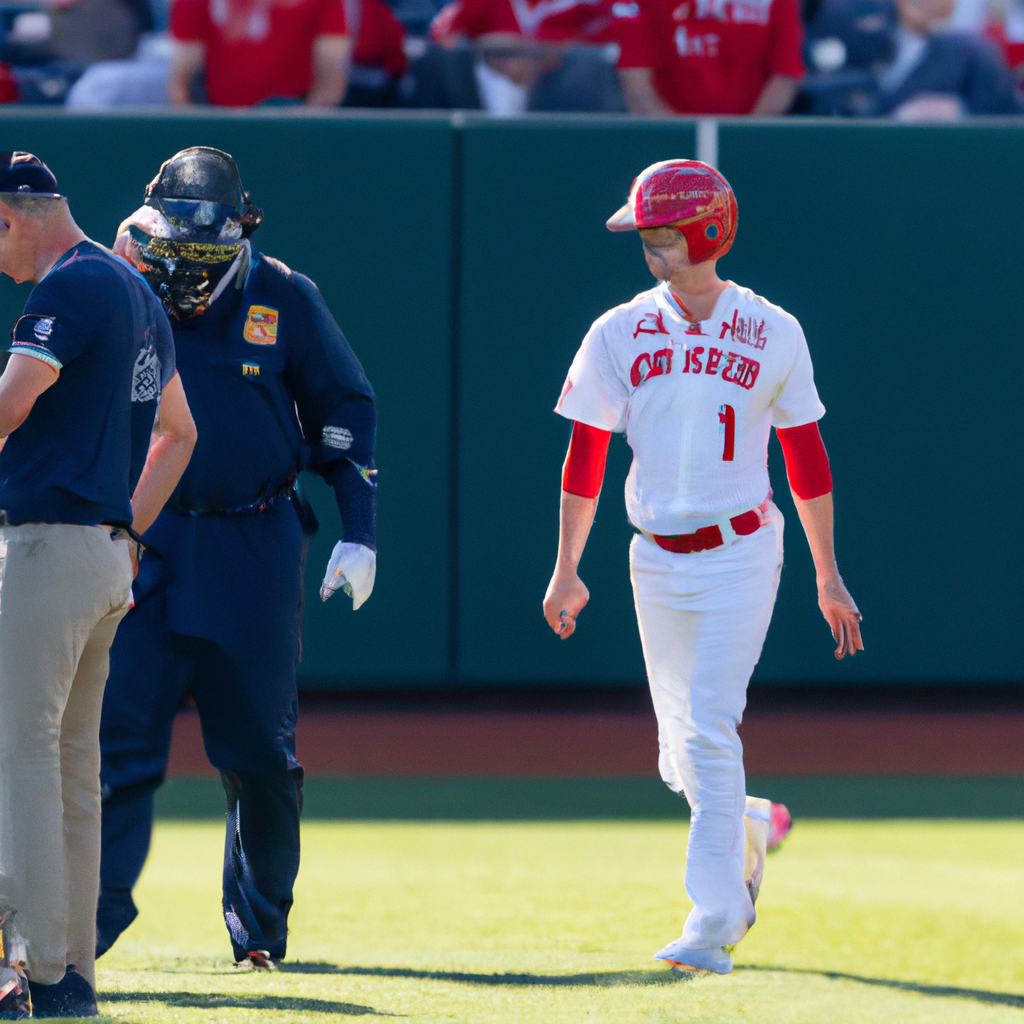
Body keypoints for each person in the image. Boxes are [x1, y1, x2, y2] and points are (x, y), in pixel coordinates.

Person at [542, 159, 862, 974]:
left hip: (743, 550)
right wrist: (567, 566)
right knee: (678, 756)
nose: (649, 246)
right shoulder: (617, 330)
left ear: (707, 231)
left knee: (711, 728)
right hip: (655, 558)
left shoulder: (774, 328)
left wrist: (827, 573)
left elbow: (807, 458)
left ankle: (713, 923)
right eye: (645, 234)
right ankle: (749, 822)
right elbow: (586, 454)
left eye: (662, 233)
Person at [96, 147, 378, 970]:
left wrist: (359, 525)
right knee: (116, 741)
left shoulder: (284, 295)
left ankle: (259, 927)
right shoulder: (117, 286)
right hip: (143, 535)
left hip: (252, 538)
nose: (183, 276)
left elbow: (345, 407)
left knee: (259, 749)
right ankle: (91, 922)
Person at [0, 151, 194, 1019]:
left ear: (13, 217)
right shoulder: (136, 290)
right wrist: (128, 534)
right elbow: (180, 432)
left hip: (46, 547)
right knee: (73, 766)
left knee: (24, 754)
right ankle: (72, 970)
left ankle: (34, 968)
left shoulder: (68, 285)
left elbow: (10, 404)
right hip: (104, 556)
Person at [413, 0, 639, 113]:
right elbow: (441, 38)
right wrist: (493, 48)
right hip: (491, 96)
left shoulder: (591, 4)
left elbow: (626, 36)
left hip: (568, 98)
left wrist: (549, 51)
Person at [617, 0, 806, 115]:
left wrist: (744, 140)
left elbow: (785, 75)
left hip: (747, 143)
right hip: (669, 148)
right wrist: (677, 146)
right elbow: (636, 83)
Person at [167, 0, 350, 107]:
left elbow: (330, 88)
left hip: (293, 122)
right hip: (221, 123)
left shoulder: (322, 3)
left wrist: (298, 133)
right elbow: (180, 88)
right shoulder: (194, 3)